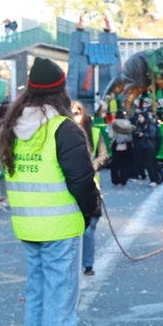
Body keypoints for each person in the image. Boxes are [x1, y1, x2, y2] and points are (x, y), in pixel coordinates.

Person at [0, 57, 100, 326]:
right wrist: (91, 210)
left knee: (38, 302)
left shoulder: (14, 126)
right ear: (60, 90)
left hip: (27, 224)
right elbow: (81, 180)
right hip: (60, 225)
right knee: (60, 306)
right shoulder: (63, 127)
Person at [71, 102, 108, 277]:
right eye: (71, 113)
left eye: (77, 112)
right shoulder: (62, 133)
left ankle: (87, 264)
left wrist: (92, 166)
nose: (74, 116)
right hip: (69, 187)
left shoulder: (94, 133)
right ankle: (72, 264)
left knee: (89, 229)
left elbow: (104, 155)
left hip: (90, 186)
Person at [133, 112, 163, 186]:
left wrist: (143, 134)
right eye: (139, 117)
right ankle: (151, 177)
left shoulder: (150, 124)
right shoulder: (139, 125)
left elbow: (152, 135)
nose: (139, 119)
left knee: (150, 164)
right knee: (142, 163)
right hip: (141, 146)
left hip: (149, 146)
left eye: (141, 117)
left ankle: (154, 180)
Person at [107, 111, 135, 187]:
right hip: (127, 144)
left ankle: (115, 181)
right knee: (125, 163)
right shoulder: (128, 122)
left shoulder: (113, 123)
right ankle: (123, 180)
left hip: (116, 144)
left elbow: (110, 135)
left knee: (115, 164)